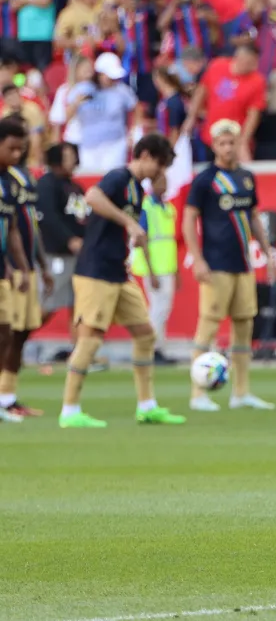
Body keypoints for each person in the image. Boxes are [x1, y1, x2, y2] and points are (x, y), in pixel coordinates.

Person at [60, 133, 183, 429]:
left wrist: (146, 263)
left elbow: (133, 233)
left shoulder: (137, 191)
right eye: (160, 165)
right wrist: (128, 222)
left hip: (118, 271)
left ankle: (147, 405)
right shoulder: (118, 177)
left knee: (145, 333)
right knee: (89, 340)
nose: (161, 172)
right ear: (145, 156)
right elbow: (92, 197)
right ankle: (70, 409)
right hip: (95, 271)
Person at [183, 120, 276, 412]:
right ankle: (197, 394)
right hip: (216, 263)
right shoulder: (205, 180)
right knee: (208, 326)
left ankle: (241, 392)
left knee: (244, 325)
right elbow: (188, 220)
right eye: (222, 143)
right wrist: (197, 259)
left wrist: (266, 250)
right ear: (214, 146)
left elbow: (252, 217)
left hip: (242, 263)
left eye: (231, 142)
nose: (227, 148)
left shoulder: (247, 177)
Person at [0, 142, 52, 417]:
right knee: (8, 333)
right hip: (13, 268)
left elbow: (26, 226)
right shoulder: (10, 181)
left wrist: (39, 264)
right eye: (14, 146)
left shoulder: (22, 178)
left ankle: (7, 397)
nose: (20, 152)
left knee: (16, 334)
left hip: (22, 266)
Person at [35, 142, 86, 371]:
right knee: (48, 304)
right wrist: (69, 239)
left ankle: (79, 352)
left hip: (78, 256)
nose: (73, 160)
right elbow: (48, 217)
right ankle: (15, 339)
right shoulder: (47, 184)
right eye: (68, 156)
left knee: (78, 304)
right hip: (57, 254)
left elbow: (83, 217)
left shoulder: (75, 187)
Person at [129, 171, 177, 366]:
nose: (164, 185)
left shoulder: (168, 208)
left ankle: (158, 348)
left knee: (163, 309)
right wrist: (151, 271)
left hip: (167, 265)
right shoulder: (146, 207)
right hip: (155, 267)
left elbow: (169, 240)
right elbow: (142, 239)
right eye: (160, 181)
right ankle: (150, 348)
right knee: (157, 308)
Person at [68, 52, 138, 174]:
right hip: (89, 146)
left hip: (115, 144)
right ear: (99, 74)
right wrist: (76, 103)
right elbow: (66, 116)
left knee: (113, 178)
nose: (112, 80)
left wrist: (133, 131)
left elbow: (136, 108)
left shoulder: (121, 90)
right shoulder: (83, 89)